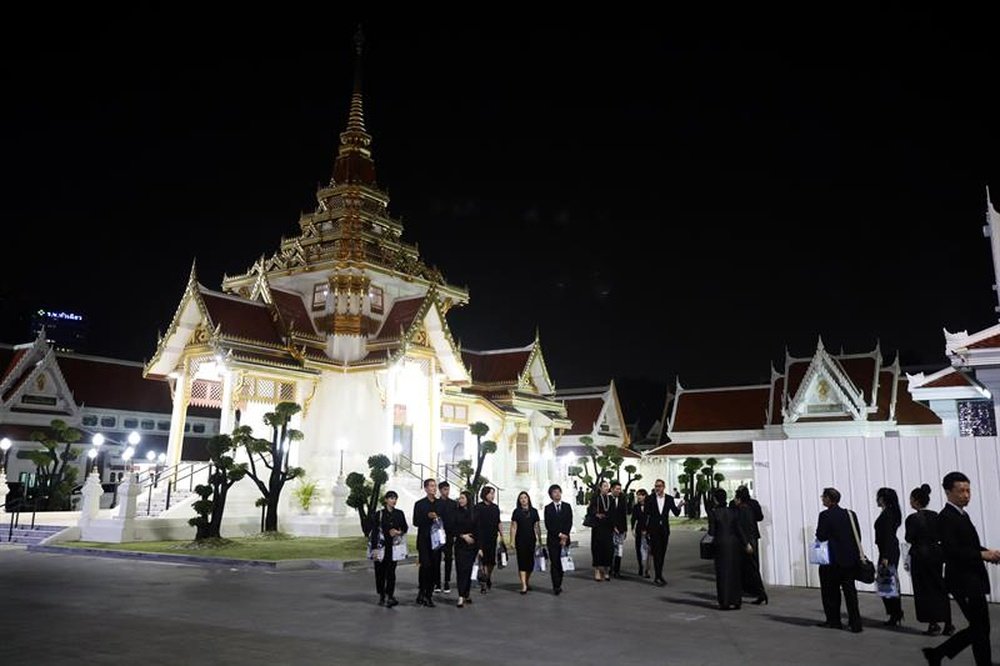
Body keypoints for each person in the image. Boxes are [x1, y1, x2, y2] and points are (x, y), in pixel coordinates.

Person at [922, 471, 1000, 666]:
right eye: (961, 491)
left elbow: (967, 546)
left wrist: (988, 552)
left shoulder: (961, 515)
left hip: (972, 579)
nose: (966, 495)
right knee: (980, 627)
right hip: (962, 581)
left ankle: (937, 654)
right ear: (948, 492)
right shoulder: (946, 517)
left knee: (980, 626)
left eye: (968, 490)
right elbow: (951, 550)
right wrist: (981, 554)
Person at [905, 483, 954, 636]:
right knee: (939, 587)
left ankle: (933, 623)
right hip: (936, 554)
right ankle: (948, 623)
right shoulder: (936, 516)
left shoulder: (913, 518)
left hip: (920, 555)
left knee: (924, 590)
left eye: (911, 499)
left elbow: (909, 537)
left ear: (916, 501)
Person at [815, 487, 863, 633]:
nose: (822, 499)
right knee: (850, 592)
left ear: (829, 499)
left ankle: (834, 620)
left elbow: (821, 535)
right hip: (849, 560)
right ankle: (855, 623)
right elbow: (857, 535)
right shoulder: (850, 514)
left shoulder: (825, 515)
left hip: (832, 560)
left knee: (830, 592)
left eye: (823, 497)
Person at [708, 488, 750, 610]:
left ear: (715, 499)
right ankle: (736, 600)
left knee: (722, 574)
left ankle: (725, 601)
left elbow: (712, 532)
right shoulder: (733, 511)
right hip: (734, 544)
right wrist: (746, 543)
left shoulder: (714, 513)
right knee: (735, 573)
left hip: (720, 545)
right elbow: (739, 529)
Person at [371, 490, 407, 608]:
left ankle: (390, 595)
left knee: (391, 572)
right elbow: (375, 532)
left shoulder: (399, 513)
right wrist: (374, 548)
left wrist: (398, 532)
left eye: (395, 498)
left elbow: (404, 528)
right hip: (381, 547)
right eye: (391, 498)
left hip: (393, 547)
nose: (393, 501)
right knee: (380, 571)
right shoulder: (379, 514)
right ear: (386, 500)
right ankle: (381, 594)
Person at [874, 487, 904, 626]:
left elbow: (888, 537)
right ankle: (895, 613)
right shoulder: (890, 513)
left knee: (887, 582)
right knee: (887, 582)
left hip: (888, 552)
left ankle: (895, 613)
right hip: (888, 550)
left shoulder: (887, 515)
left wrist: (885, 556)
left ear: (883, 498)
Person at [645, 478, 682, 586]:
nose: (658, 488)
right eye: (656, 486)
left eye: (660, 486)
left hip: (664, 530)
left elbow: (676, 513)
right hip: (654, 529)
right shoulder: (650, 498)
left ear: (664, 487)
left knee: (662, 553)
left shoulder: (669, 499)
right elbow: (646, 514)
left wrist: (679, 507)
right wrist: (645, 529)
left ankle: (659, 574)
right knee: (657, 553)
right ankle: (657, 576)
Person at [733, 489, 767, 605]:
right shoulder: (754, 504)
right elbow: (760, 517)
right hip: (753, 536)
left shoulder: (742, 508)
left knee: (747, 566)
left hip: (746, 539)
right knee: (753, 564)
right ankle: (755, 591)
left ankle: (758, 592)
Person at [412, 478, 441, 607]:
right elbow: (416, 521)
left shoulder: (440, 504)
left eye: (435, 486)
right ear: (426, 488)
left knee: (435, 567)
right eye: (431, 486)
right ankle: (422, 592)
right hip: (424, 540)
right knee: (426, 566)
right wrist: (427, 517)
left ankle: (429, 594)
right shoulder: (420, 504)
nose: (433, 488)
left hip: (437, 541)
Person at [510, 491, 541, 594]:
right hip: (520, 540)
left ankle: (527, 581)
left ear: (528, 499)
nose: (523, 500)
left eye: (525, 498)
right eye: (521, 498)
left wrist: (539, 539)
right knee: (522, 562)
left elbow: (536, 526)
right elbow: (514, 527)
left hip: (531, 539)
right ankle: (523, 585)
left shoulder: (534, 511)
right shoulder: (516, 512)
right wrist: (512, 541)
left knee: (530, 563)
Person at [544, 484, 572, 595]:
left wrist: (565, 535)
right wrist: (559, 534)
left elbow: (569, 522)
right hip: (553, 540)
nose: (557, 494)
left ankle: (560, 582)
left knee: (562, 562)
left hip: (565, 539)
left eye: (558, 491)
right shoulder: (548, 508)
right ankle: (556, 586)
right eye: (554, 492)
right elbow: (548, 525)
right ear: (551, 495)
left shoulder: (567, 506)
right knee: (555, 563)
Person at [451, 490, 478, 608]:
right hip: (460, 544)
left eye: (462, 498)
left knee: (468, 570)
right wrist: (462, 536)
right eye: (459, 498)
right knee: (461, 570)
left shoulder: (474, 513)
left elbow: (478, 529)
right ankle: (461, 595)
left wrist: (479, 547)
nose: (460, 500)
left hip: (472, 545)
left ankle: (466, 593)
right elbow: (452, 528)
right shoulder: (456, 512)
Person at [475, 485, 503, 594]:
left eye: (493, 494)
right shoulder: (478, 507)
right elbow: (475, 523)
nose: (492, 496)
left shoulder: (495, 508)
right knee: (483, 560)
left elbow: (498, 522)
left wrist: (501, 535)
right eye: (490, 493)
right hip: (481, 537)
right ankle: (483, 583)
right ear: (485, 494)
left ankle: (487, 576)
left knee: (491, 561)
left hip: (492, 537)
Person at [588, 480, 615, 581]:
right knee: (597, 549)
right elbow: (591, 509)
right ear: (600, 487)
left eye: (608, 486)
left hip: (608, 527)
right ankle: (597, 570)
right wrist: (596, 514)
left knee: (609, 549)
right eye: (604, 486)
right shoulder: (596, 498)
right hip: (598, 527)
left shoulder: (610, 498)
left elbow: (613, 512)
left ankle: (606, 570)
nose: (607, 488)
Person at [434, 480, 457, 594]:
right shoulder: (436, 503)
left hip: (449, 535)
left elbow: (455, 519)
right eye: (444, 489)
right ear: (440, 490)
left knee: (448, 558)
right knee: (436, 559)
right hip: (438, 535)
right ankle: (437, 582)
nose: (446, 492)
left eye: (448, 489)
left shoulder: (453, 504)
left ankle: (447, 581)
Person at [609, 481, 628, 578]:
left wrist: (625, 530)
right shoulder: (607, 499)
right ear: (611, 489)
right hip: (610, 529)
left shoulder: (622, 498)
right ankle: (610, 568)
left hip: (620, 529)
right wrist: (613, 526)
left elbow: (624, 514)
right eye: (617, 489)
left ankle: (617, 570)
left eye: (620, 489)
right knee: (611, 549)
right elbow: (608, 515)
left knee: (619, 549)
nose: (618, 491)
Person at [631, 489, 650, 577]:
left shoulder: (650, 506)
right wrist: (632, 529)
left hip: (648, 531)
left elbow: (651, 519)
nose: (639, 497)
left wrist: (647, 530)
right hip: (639, 530)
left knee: (648, 550)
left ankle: (647, 569)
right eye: (638, 495)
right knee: (638, 549)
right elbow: (633, 519)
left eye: (641, 495)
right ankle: (640, 567)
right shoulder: (636, 507)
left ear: (645, 496)